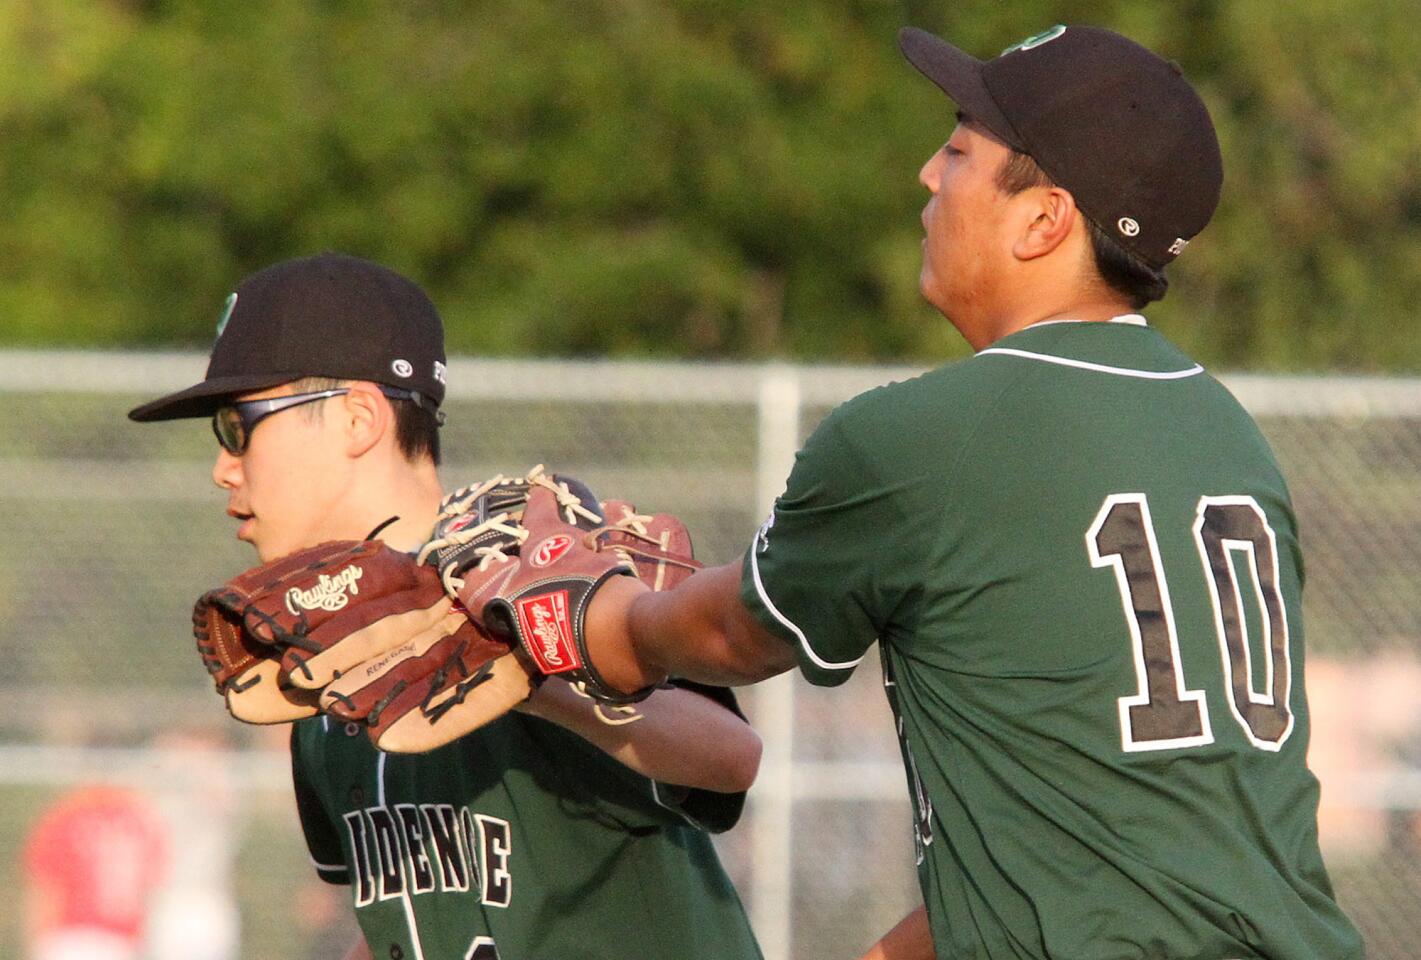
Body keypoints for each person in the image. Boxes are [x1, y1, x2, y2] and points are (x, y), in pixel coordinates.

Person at [564, 24, 1365, 960]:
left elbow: (724, 636)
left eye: (956, 150)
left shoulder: (926, 435)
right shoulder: (1225, 433)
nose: (926, 177)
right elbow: (1111, 856)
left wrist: (585, 620)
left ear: (1043, 220)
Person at [127, 252, 764, 960]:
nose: (223, 465)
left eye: (237, 425)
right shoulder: (321, 659)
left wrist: (527, 671)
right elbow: (402, 919)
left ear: (357, 418)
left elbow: (731, 756)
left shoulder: (520, 580)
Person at [21, 785, 167, 960]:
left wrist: (37, 941)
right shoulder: (140, 818)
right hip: (120, 941)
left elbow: (47, 890)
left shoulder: (68, 815)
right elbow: (150, 889)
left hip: (69, 937)